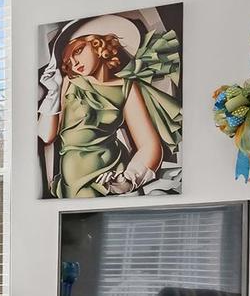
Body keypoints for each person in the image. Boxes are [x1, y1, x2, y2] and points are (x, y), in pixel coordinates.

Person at [37, 19, 181, 197]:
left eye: (78, 51)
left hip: (112, 178)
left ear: (98, 43)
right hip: (75, 183)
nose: (74, 63)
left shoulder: (126, 86)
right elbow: (46, 135)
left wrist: (129, 179)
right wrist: (52, 92)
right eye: (68, 60)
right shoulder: (69, 82)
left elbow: (149, 144)